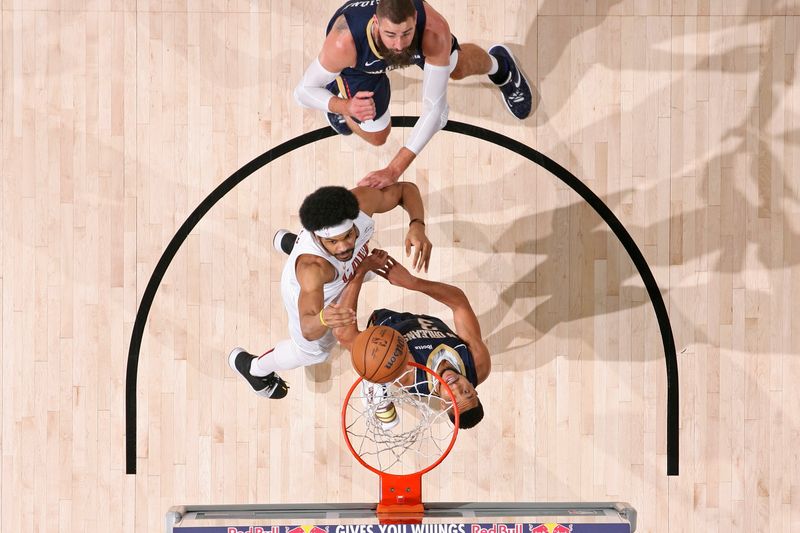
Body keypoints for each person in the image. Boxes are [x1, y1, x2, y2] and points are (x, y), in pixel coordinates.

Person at [293, 0, 533, 189]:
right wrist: (343, 106)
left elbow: (436, 111)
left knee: (455, 67)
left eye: (406, 33)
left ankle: (501, 67)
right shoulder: (344, 43)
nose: (399, 45)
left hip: (416, 43)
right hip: (358, 67)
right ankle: (338, 92)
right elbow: (302, 92)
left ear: (415, 17)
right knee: (377, 136)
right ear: (376, 22)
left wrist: (394, 170)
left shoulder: (433, 29)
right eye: (390, 35)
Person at [228, 185, 432, 398]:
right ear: (317, 238)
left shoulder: (361, 202)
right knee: (314, 352)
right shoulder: (313, 269)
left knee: (359, 267)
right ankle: (254, 369)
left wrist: (417, 225)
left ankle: (293, 245)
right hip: (313, 295)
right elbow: (307, 328)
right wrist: (324, 317)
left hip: (335, 270)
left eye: (348, 236)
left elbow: (405, 190)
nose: (343, 246)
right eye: (333, 242)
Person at [333, 249, 491, 429]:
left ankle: (374, 382)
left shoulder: (409, 374)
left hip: (384, 328)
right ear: (474, 389)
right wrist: (412, 282)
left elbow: (343, 333)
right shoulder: (479, 363)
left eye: (452, 398)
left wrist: (361, 270)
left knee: (362, 353)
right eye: (467, 392)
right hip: (423, 322)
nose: (455, 388)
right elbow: (459, 302)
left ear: (442, 404)